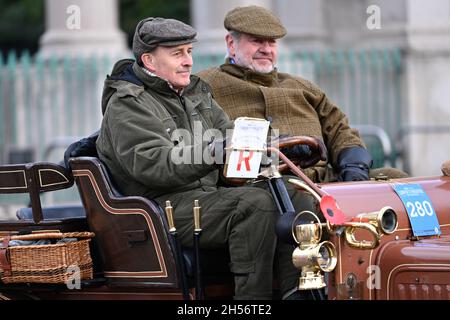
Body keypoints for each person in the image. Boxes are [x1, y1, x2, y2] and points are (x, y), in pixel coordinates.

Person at [69, 17, 325, 300]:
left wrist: (279, 146)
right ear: (149, 61)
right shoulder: (128, 104)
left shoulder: (195, 93)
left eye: (189, 52)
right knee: (254, 204)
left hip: (206, 197)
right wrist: (216, 151)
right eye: (177, 54)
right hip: (160, 207)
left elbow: (234, 136)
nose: (188, 61)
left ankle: (298, 293)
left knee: (294, 192)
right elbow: (156, 165)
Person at [197, 5, 408, 183]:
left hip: (325, 180)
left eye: (272, 42)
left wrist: (354, 166)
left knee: (397, 179)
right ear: (231, 44)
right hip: (266, 185)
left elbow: (339, 128)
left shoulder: (301, 86)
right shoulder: (205, 86)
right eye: (257, 41)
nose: (267, 49)